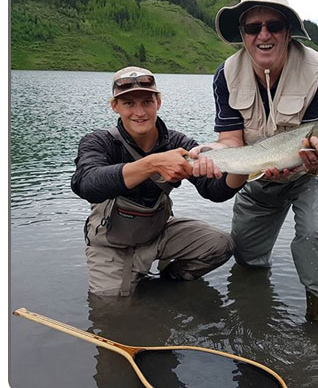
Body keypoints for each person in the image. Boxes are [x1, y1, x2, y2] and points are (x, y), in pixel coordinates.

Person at [192, 0, 318, 321]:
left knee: (315, 236)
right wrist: (210, 154)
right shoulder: (225, 76)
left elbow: (317, 138)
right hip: (257, 166)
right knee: (246, 255)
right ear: (243, 35)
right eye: (253, 27)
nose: (264, 34)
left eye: (274, 26)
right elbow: (231, 140)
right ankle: (251, 321)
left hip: (314, 167)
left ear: (288, 32)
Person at [71, 66, 247, 297]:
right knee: (111, 310)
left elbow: (214, 192)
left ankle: (167, 283)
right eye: (129, 104)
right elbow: (86, 184)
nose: (139, 112)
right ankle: (132, 281)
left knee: (220, 245)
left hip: (158, 232)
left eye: (146, 102)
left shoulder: (177, 142)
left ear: (158, 102)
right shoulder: (98, 142)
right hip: (111, 243)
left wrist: (244, 169)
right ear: (115, 106)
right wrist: (152, 164)